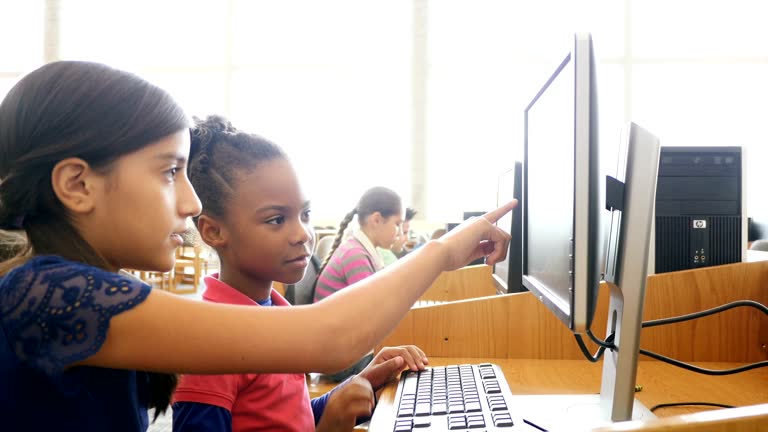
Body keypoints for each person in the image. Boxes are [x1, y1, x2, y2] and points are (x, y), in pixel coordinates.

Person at [0, 60, 515, 431]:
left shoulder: (72, 289)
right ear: (77, 185)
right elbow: (328, 337)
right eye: (169, 173)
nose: (192, 202)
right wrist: (442, 252)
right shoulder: (47, 294)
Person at [171, 115, 429, 431]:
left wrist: (359, 384)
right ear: (213, 231)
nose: (303, 234)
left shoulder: (277, 312)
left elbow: (291, 415)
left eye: (305, 214)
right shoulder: (210, 342)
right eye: (277, 220)